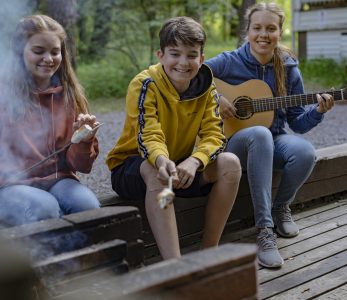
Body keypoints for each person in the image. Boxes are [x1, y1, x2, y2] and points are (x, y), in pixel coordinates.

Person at [205, 2, 334, 268]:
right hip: (230, 143)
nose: (263, 34)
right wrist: (216, 97)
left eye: (271, 28)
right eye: (257, 28)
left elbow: (297, 123)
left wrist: (318, 111)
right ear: (248, 31)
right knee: (260, 134)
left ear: (280, 32)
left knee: (304, 151)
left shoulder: (288, 69)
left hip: (270, 140)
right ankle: (264, 230)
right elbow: (192, 74)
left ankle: (280, 208)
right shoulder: (229, 61)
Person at [106, 16, 242, 260]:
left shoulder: (208, 88)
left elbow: (214, 135)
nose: (183, 62)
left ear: (201, 58)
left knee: (230, 164)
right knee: (155, 169)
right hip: (132, 167)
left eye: (191, 55)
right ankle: (175, 266)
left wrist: (195, 161)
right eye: (174, 53)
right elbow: (149, 135)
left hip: (181, 166)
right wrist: (161, 160)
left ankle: (208, 252)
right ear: (160, 55)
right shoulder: (144, 84)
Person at [0, 15, 100, 227]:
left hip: (59, 180)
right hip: (9, 187)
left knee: (88, 207)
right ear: (20, 51)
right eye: (39, 51)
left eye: (55, 52)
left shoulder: (71, 97)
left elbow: (82, 166)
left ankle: (84, 260)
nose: (48, 58)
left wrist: (83, 141)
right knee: (44, 208)